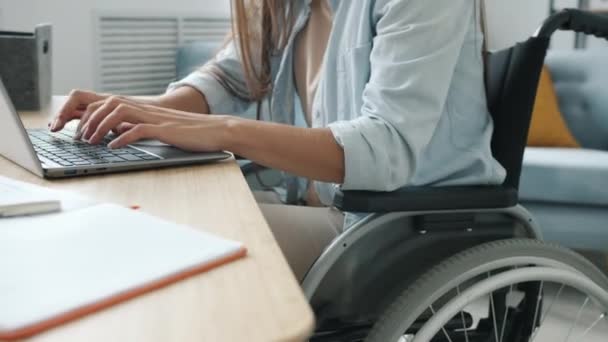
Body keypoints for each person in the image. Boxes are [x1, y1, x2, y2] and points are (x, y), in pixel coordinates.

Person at [49, 0, 505, 281]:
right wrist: (141, 109)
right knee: (138, 210)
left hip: (398, 222)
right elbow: (229, 78)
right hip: (328, 210)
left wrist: (226, 132)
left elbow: (387, 146)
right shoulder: (289, 7)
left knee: (173, 236)